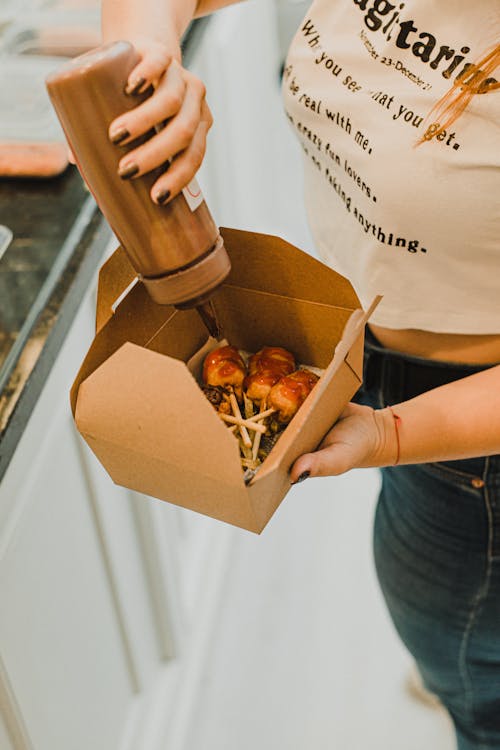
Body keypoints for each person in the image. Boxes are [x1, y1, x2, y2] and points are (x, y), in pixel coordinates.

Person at [101, 1, 500, 747]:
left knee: (473, 683)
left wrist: (389, 433)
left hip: (476, 458)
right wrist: (146, 58)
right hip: (366, 346)